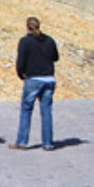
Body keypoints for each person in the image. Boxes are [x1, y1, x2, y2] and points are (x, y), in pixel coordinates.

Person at [13, 16, 59, 150]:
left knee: (27, 110)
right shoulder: (49, 40)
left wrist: (21, 74)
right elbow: (55, 57)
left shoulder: (25, 41)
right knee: (46, 111)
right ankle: (48, 143)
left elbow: (21, 61)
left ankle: (22, 141)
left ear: (27, 27)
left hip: (33, 78)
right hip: (49, 78)